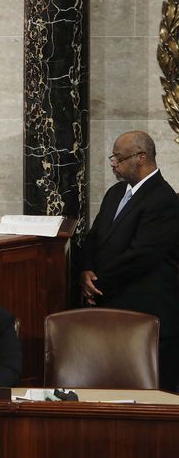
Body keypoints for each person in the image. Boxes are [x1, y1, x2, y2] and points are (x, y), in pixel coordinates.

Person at [80, 130, 179, 391]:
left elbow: (141, 256)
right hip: (111, 307)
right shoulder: (115, 193)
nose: (113, 163)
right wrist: (86, 270)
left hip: (146, 314)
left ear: (140, 157)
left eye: (118, 158)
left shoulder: (164, 199)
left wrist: (99, 284)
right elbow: (93, 238)